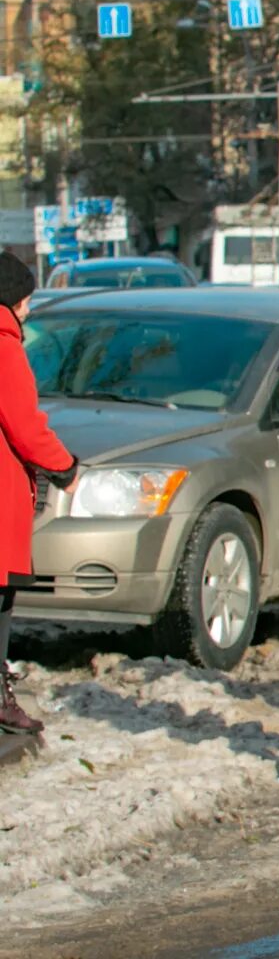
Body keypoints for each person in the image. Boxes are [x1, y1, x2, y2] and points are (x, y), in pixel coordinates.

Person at [0, 253, 76, 736]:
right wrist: (64, 467)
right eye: (26, 298)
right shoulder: (4, 346)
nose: (29, 309)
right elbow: (24, 425)